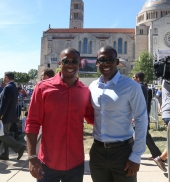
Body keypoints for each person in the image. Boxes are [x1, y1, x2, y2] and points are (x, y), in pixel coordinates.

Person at [25, 48, 94, 182]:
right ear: (59, 63)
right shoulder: (43, 88)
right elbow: (32, 123)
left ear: (80, 64)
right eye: (66, 61)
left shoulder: (85, 91)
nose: (70, 64)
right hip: (47, 163)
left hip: (76, 164)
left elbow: (93, 118)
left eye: (74, 61)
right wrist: (32, 157)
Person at [89, 46, 148, 182]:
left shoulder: (131, 86)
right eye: (102, 60)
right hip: (98, 152)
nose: (106, 63)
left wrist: (136, 155)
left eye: (110, 59)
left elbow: (141, 119)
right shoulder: (93, 86)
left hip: (123, 152)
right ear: (97, 63)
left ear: (116, 62)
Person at [133, 72, 161, 160]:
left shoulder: (139, 86)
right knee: (144, 135)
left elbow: (139, 102)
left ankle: (155, 153)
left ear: (138, 78)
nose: (132, 78)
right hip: (141, 114)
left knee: (142, 135)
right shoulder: (142, 86)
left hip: (139, 115)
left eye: (134, 77)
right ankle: (156, 152)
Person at [0, 72, 26, 160]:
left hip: (5, 116)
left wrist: (0, 115)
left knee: (2, 135)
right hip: (10, 115)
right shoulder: (13, 87)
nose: (3, 78)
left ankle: (20, 147)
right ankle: (4, 154)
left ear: (6, 77)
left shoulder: (7, 87)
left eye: (4, 76)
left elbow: (4, 104)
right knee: (5, 133)